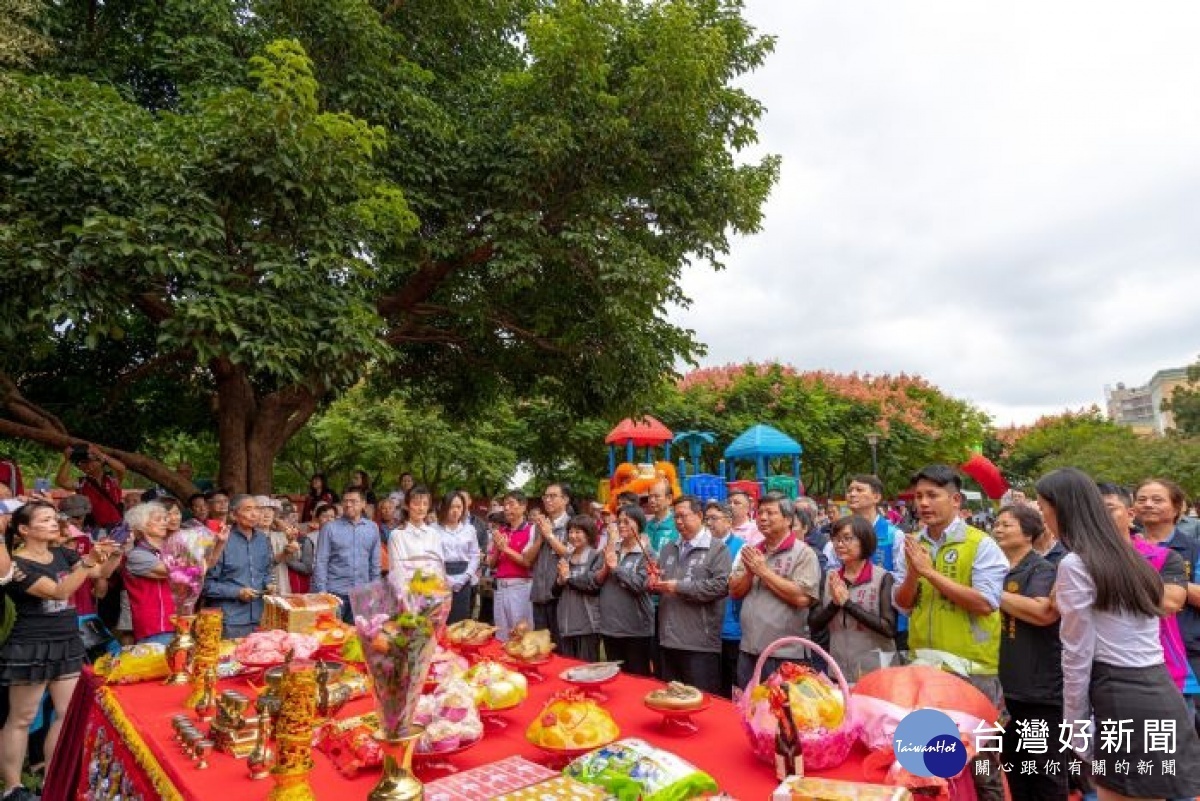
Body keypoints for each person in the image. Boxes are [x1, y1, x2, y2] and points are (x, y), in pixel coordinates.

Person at [1038, 467, 1200, 800]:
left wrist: (1076, 722)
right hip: (1158, 690)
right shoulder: (1130, 556)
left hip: (1119, 694)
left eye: (1043, 510)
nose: (1044, 520)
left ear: (1061, 510)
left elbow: (1077, 651)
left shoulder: (1077, 564)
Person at [1, 501, 116, 801]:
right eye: (45, 520)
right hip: (31, 644)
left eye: (55, 518)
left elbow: (96, 573)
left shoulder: (63, 553)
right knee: (22, 717)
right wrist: (90, 561)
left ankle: (54, 777)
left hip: (67, 640)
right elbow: (60, 591)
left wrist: (114, 553)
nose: (55, 523)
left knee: (67, 714)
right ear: (24, 529)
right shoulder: (16, 566)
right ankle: (13, 787)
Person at [892, 465, 1005, 694]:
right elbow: (903, 605)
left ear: (955, 500)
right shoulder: (911, 544)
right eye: (919, 496)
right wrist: (914, 574)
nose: (923, 503)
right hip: (923, 664)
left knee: (970, 731)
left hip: (970, 668)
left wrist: (930, 573)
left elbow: (986, 603)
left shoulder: (981, 544)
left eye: (932, 495)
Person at [992, 504, 1065, 800]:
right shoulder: (995, 568)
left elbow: (1043, 612)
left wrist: (989, 592)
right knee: (1014, 767)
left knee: (1045, 769)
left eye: (1006, 525)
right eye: (996, 524)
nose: (998, 529)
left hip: (1039, 688)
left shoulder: (1042, 569)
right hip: (1004, 685)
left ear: (1029, 532)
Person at [730, 495, 821, 689]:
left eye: (770, 513)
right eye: (759, 513)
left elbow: (802, 598)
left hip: (785, 654)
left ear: (788, 520)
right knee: (747, 709)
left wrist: (763, 572)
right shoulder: (752, 551)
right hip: (748, 650)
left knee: (781, 714)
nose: (762, 518)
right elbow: (735, 592)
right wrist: (749, 572)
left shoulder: (804, 553)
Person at [651, 495, 731, 694]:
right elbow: (660, 583)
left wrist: (678, 587)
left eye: (683, 516)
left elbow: (720, 587)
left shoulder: (717, 548)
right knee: (671, 701)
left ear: (699, 515)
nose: (678, 521)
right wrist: (652, 581)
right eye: (675, 517)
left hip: (700, 643)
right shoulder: (668, 549)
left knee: (701, 702)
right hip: (668, 638)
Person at [808, 516, 897, 682]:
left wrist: (848, 605)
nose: (839, 545)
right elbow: (815, 624)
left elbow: (889, 628)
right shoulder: (830, 578)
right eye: (835, 539)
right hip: (839, 671)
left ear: (864, 540)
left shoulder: (882, 578)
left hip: (877, 671)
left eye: (847, 539)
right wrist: (835, 604)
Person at [1133, 478, 1200, 688]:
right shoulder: (1124, 548)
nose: (1148, 504)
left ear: (1176, 509)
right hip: (1136, 648)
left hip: (1187, 650)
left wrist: (1170, 577)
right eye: (1141, 499)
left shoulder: (1193, 548)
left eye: (1157, 500)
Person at [842, 474, 906, 650]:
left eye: (859, 490)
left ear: (876, 497)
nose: (852, 494)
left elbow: (902, 578)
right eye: (850, 490)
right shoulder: (840, 536)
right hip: (850, 620)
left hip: (887, 621)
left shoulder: (894, 535)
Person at [202, 494, 273, 638]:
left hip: (260, 617)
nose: (254, 514)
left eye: (257, 509)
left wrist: (269, 584)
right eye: (248, 509)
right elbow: (205, 584)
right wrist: (237, 592)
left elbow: (265, 571)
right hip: (230, 619)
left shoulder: (262, 539)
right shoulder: (221, 539)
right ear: (234, 515)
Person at [596, 505, 655, 676]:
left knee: (637, 678)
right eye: (619, 522)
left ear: (639, 525)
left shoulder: (648, 553)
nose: (621, 526)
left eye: (627, 522)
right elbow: (595, 579)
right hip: (610, 626)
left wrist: (616, 568)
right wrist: (607, 564)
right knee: (615, 677)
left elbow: (640, 585)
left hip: (635, 628)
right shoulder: (610, 549)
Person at [311, 489, 380, 623]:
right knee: (332, 635)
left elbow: (375, 564)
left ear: (363, 504)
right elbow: (321, 562)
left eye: (353, 501)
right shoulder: (329, 528)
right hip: (335, 594)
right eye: (346, 501)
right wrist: (322, 593)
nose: (348, 505)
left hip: (362, 594)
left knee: (359, 637)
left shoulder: (372, 528)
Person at [121, 502, 177, 646]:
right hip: (155, 628)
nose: (165, 523)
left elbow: (201, 569)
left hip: (176, 623)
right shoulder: (137, 555)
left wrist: (219, 544)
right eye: (158, 519)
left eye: (165, 519)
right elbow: (171, 571)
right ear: (142, 526)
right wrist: (195, 552)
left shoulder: (170, 550)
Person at [706, 502, 745, 697]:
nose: (709, 523)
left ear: (729, 522)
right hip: (706, 626)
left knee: (732, 683)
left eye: (714, 518)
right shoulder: (703, 546)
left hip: (731, 627)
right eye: (707, 519)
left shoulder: (741, 547)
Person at [485, 490, 536, 641]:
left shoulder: (531, 530)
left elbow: (527, 562)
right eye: (505, 504)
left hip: (520, 587)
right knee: (501, 634)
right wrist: (498, 548)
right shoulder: (502, 531)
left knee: (520, 634)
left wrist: (505, 549)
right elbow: (492, 564)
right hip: (500, 587)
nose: (506, 508)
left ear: (523, 507)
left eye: (511, 504)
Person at [553, 515, 604, 661]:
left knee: (586, 669)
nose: (573, 536)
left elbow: (592, 585)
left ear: (588, 534)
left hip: (587, 624)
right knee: (568, 668)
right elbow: (554, 591)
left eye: (578, 532)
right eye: (570, 532)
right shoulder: (566, 558)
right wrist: (560, 581)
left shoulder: (595, 556)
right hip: (566, 623)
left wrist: (568, 578)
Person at [528, 483, 572, 646]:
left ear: (565, 499)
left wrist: (549, 535)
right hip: (539, 594)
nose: (548, 500)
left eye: (553, 496)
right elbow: (528, 560)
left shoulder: (572, 525)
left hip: (560, 596)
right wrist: (541, 536)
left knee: (560, 647)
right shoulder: (538, 526)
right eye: (545, 496)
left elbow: (571, 554)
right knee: (540, 646)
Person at [55, 445, 125, 534]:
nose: (86, 466)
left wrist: (100, 455)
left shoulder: (112, 480)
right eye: (81, 463)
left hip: (117, 528)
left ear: (100, 462)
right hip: (95, 529)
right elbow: (61, 481)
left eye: (89, 461)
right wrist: (68, 460)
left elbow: (121, 469)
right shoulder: (82, 483)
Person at [436, 491, 480, 624]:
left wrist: (465, 576)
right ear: (444, 507)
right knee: (441, 619)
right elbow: (432, 557)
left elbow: (475, 555)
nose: (455, 511)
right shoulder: (433, 530)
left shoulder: (470, 530)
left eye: (459, 507)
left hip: (464, 577)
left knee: (460, 621)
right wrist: (445, 578)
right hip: (441, 577)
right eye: (451, 507)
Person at [388, 486, 440, 566]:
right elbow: (396, 567)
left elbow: (438, 564)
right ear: (406, 506)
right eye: (416, 504)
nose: (421, 508)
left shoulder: (434, 534)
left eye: (425, 504)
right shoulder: (397, 535)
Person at [286, 502, 331, 594]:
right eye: (325, 516)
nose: (329, 519)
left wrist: (284, 560)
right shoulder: (310, 537)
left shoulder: (304, 539)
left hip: (333, 583)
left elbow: (307, 568)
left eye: (332, 516)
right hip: (312, 584)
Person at [258, 497, 295, 596]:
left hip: (280, 586)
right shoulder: (247, 538)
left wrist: (291, 540)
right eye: (262, 510)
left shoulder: (280, 535)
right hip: (256, 590)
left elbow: (295, 558)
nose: (267, 514)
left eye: (270, 510)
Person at [644, 479, 677, 552]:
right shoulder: (646, 526)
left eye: (657, 496)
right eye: (650, 496)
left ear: (669, 499)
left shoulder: (677, 524)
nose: (652, 500)